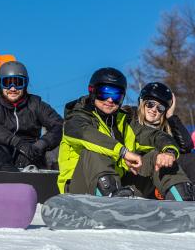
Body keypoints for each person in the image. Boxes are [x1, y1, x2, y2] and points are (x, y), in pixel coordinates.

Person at [58, 67, 194, 201]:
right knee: (94, 151)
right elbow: (90, 136)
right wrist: (123, 152)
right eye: (104, 93)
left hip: (119, 186)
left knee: (156, 157)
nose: (110, 100)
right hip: (79, 189)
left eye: (116, 95)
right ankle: (110, 203)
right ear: (92, 91)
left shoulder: (124, 122)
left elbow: (154, 135)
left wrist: (169, 152)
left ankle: (183, 202)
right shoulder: (76, 119)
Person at [0, 61, 63, 172]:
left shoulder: (35, 104)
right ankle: (11, 177)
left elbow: (59, 125)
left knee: (38, 152)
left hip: (26, 155)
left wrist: (42, 144)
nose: (13, 88)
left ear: (25, 84)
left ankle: (35, 177)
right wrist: (16, 142)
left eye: (18, 83)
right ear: (0, 84)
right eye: (7, 82)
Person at [136, 82, 195, 183]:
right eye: (150, 104)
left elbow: (187, 147)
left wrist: (171, 117)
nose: (154, 110)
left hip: (161, 171)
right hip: (138, 170)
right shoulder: (131, 121)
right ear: (142, 104)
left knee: (190, 159)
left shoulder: (164, 131)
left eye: (160, 108)